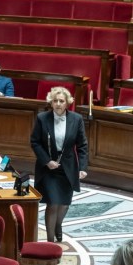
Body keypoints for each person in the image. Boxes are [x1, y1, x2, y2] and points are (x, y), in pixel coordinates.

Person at [30, 87, 88, 243]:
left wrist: (82, 167)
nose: (58, 104)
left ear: (67, 102)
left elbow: (82, 145)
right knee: (53, 203)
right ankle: (50, 241)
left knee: (64, 204)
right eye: (55, 101)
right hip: (48, 169)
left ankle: (58, 225)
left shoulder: (76, 119)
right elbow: (34, 142)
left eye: (61, 101)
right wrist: (47, 161)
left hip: (68, 167)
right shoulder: (43, 118)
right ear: (51, 102)